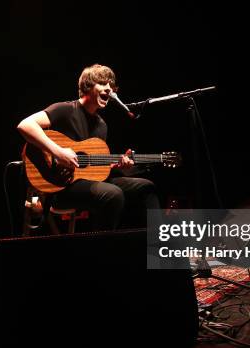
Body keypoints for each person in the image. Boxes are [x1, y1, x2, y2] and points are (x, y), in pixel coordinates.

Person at [17, 64, 159, 230]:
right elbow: (25, 125)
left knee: (146, 187)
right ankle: (99, 251)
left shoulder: (102, 125)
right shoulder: (65, 109)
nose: (109, 90)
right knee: (113, 194)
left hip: (86, 182)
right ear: (88, 86)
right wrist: (59, 152)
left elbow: (93, 169)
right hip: (59, 187)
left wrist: (121, 168)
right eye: (103, 84)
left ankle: (156, 246)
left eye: (112, 87)